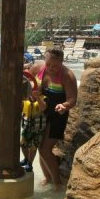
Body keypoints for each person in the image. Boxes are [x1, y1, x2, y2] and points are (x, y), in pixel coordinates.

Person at [28, 48, 77, 191]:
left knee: (45, 149)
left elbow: (73, 99)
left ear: (62, 62)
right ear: (45, 61)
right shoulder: (38, 68)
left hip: (58, 115)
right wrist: (30, 91)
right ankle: (48, 177)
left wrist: (65, 105)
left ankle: (57, 182)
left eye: (55, 66)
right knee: (37, 145)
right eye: (48, 64)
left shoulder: (67, 76)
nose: (51, 68)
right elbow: (27, 80)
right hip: (41, 111)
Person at [20, 81, 47, 172]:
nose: (34, 91)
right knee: (23, 145)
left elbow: (43, 108)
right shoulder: (25, 99)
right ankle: (26, 159)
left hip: (37, 130)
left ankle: (30, 164)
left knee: (33, 147)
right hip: (27, 128)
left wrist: (38, 98)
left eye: (37, 90)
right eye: (32, 90)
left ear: (41, 92)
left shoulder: (43, 99)